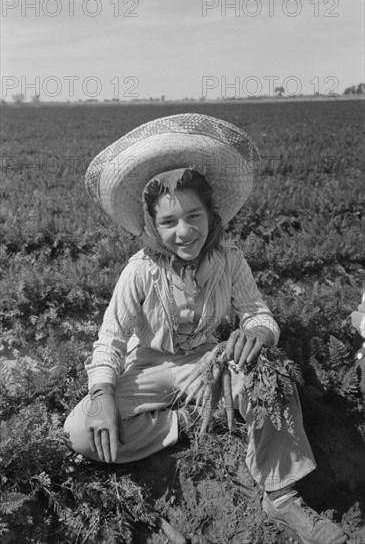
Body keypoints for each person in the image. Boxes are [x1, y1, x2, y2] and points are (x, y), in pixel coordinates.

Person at [64, 113, 346, 544]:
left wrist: (258, 333)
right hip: (149, 369)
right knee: (83, 432)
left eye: (193, 215)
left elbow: (258, 313)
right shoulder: (140, 272)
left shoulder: (229, 260)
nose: (184, 231)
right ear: (153, 227)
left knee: (273, 379)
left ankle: (280, 495)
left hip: (206, 363)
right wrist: (101, 395)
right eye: (169, 222)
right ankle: (194, 416)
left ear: (211, 215)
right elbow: (111, 338)